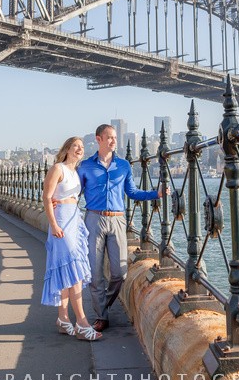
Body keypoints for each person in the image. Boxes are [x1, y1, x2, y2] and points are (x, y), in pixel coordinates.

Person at [77, 124, 164, 332]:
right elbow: (75, 194)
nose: (113, 141)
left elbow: (132, 192)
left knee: (120, 273)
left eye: (115, 137)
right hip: (93, 219)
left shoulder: (124, 165)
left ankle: (103, 305)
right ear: (98, 139)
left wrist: (156, 194)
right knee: (95, 273)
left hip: (117, 220)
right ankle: (101, 317)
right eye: (109, 138)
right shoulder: (86, 166)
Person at [41, 136, 101, 341]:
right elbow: (47, 197)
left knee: (67, 270)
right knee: (73, 270)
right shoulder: (58, 168)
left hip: (74, 219)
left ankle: (63, 319)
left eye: (82, 147)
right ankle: (82, 322)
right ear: (66, 148)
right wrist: (54, 224)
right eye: (75, 146)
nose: (79, 149)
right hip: (61, 221)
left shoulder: (76, 172)